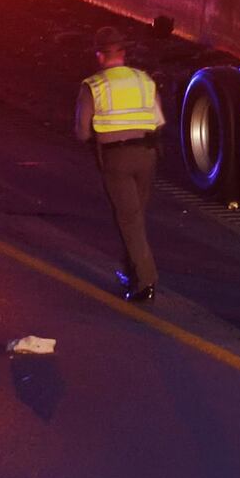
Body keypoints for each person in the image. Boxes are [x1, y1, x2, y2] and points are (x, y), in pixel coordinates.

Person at [75, 26, 165, 303]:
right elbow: (159, 120)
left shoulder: (93, 85)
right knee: (136, 216)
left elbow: (82, 131)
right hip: (147, 155)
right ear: (124, 53)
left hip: (116, 158)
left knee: (129, 220)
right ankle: (133, 271)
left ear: (100, 56)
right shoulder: (144, 80)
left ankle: (145, 282)